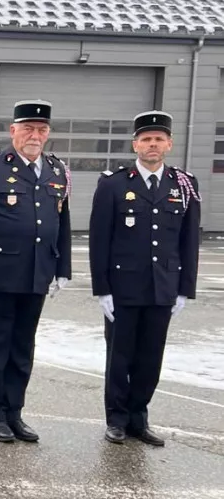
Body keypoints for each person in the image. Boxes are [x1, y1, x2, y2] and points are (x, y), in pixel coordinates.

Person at [89, 110, 200, 447]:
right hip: (123, 288)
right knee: (119, 356)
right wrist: (102, 289)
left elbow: (189, 240)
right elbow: (99, 239)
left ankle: (139, 417)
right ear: (135, 144)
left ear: (169, 143)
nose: (153, 144)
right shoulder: (113, 183)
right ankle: (117, 420)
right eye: (146, 139)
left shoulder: (183, 184)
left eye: (159, 139)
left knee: (151, 358)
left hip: (162, 287)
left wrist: (185, 289)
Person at [0, 99, 71, 444]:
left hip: (37, 273)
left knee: (23, 348)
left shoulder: (57, 170)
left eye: (41, 129)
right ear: (12, 130)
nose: (35, 135)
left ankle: (15, 412)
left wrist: (62, 268)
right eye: (27, 128)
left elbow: (62, 222)